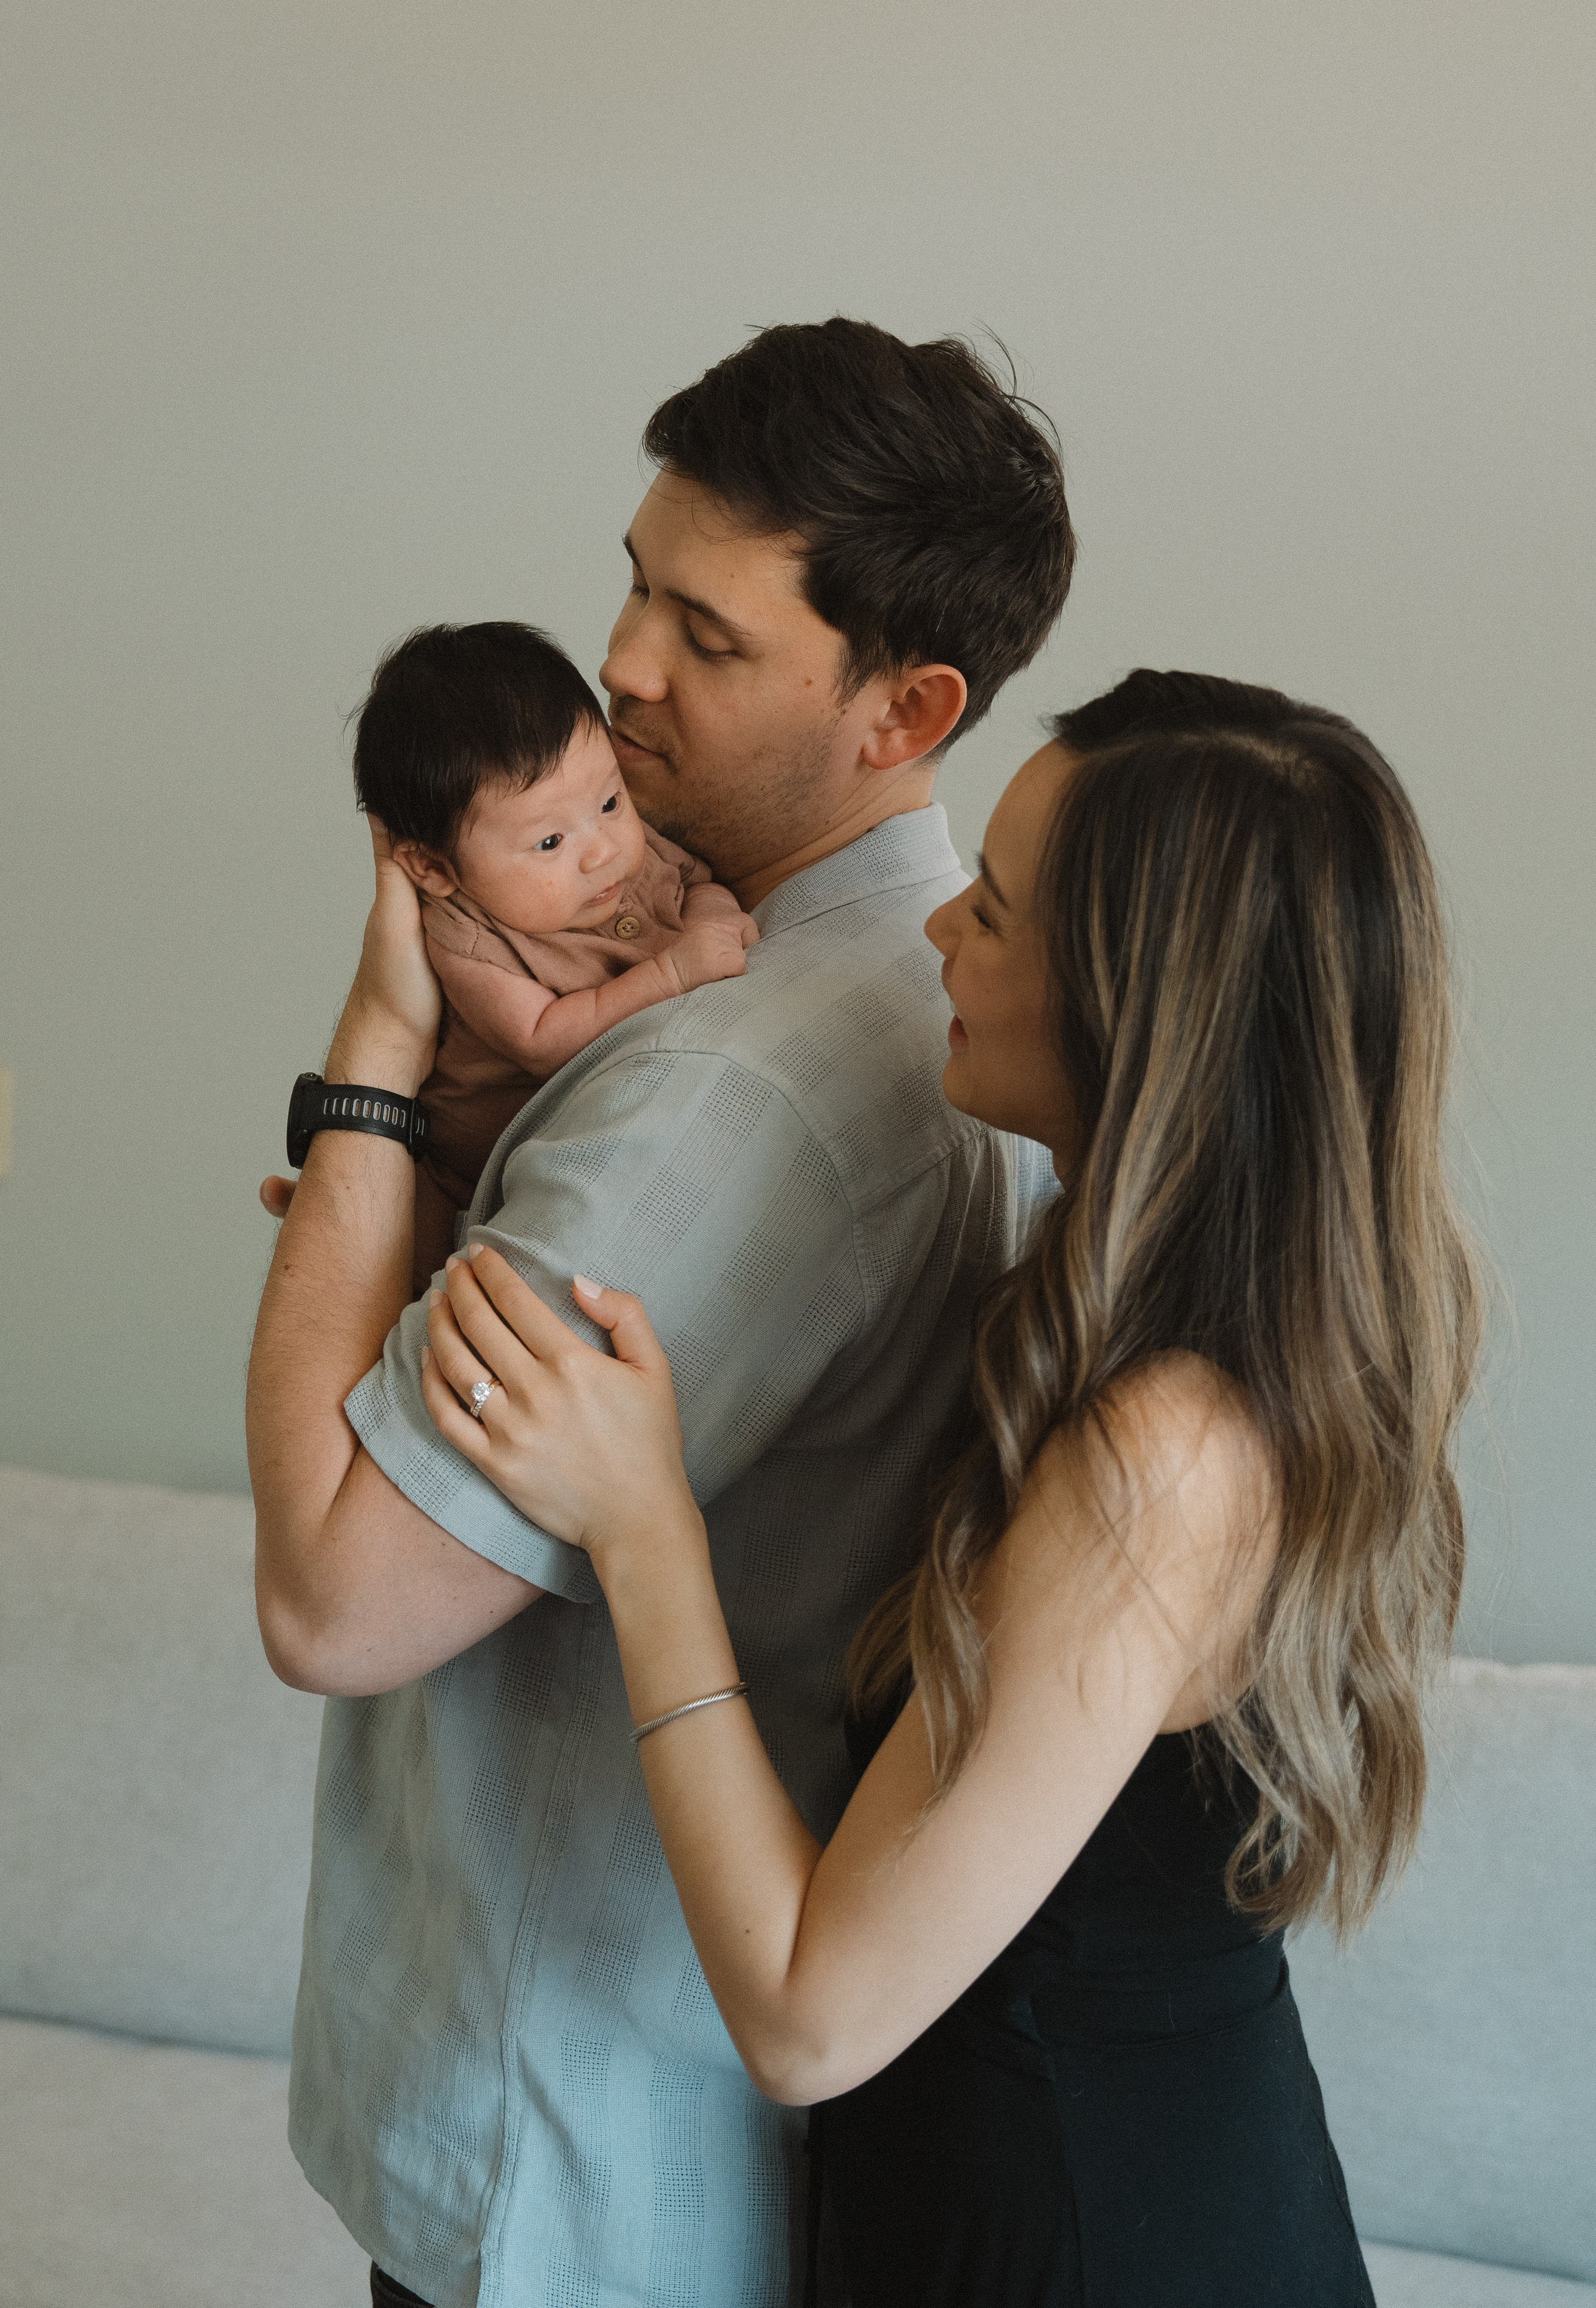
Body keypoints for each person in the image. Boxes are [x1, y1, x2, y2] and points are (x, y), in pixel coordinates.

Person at [417, 670, 1483, 2308]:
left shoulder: (1166, 1454)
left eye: (989, 910)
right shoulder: (1138, 1325)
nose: (936, 941)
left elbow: (803, 2014)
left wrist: (644, 1529)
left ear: (1135, 1006)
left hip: (1098, 2241)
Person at [245, 317, 1076, 2307]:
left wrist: (369, 1058)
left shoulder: (735, 1087)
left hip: (561, 2160)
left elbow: (335, 1604)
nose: (617, 662)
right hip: (662, 2139)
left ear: (905, 707)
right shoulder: (931, 1002)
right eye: (633, 579)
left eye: (705, 635)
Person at [350, 621, 755, 1292]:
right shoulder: (466, 937)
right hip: (453, 1172)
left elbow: (698, 883)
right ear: (433, 867)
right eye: (549, 843)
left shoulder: (632, 852)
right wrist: (675, 970)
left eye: (608, 800)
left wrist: (717, 920)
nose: (601, 849)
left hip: (560, 1159)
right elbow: (543, 1039)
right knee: (390, 1292)